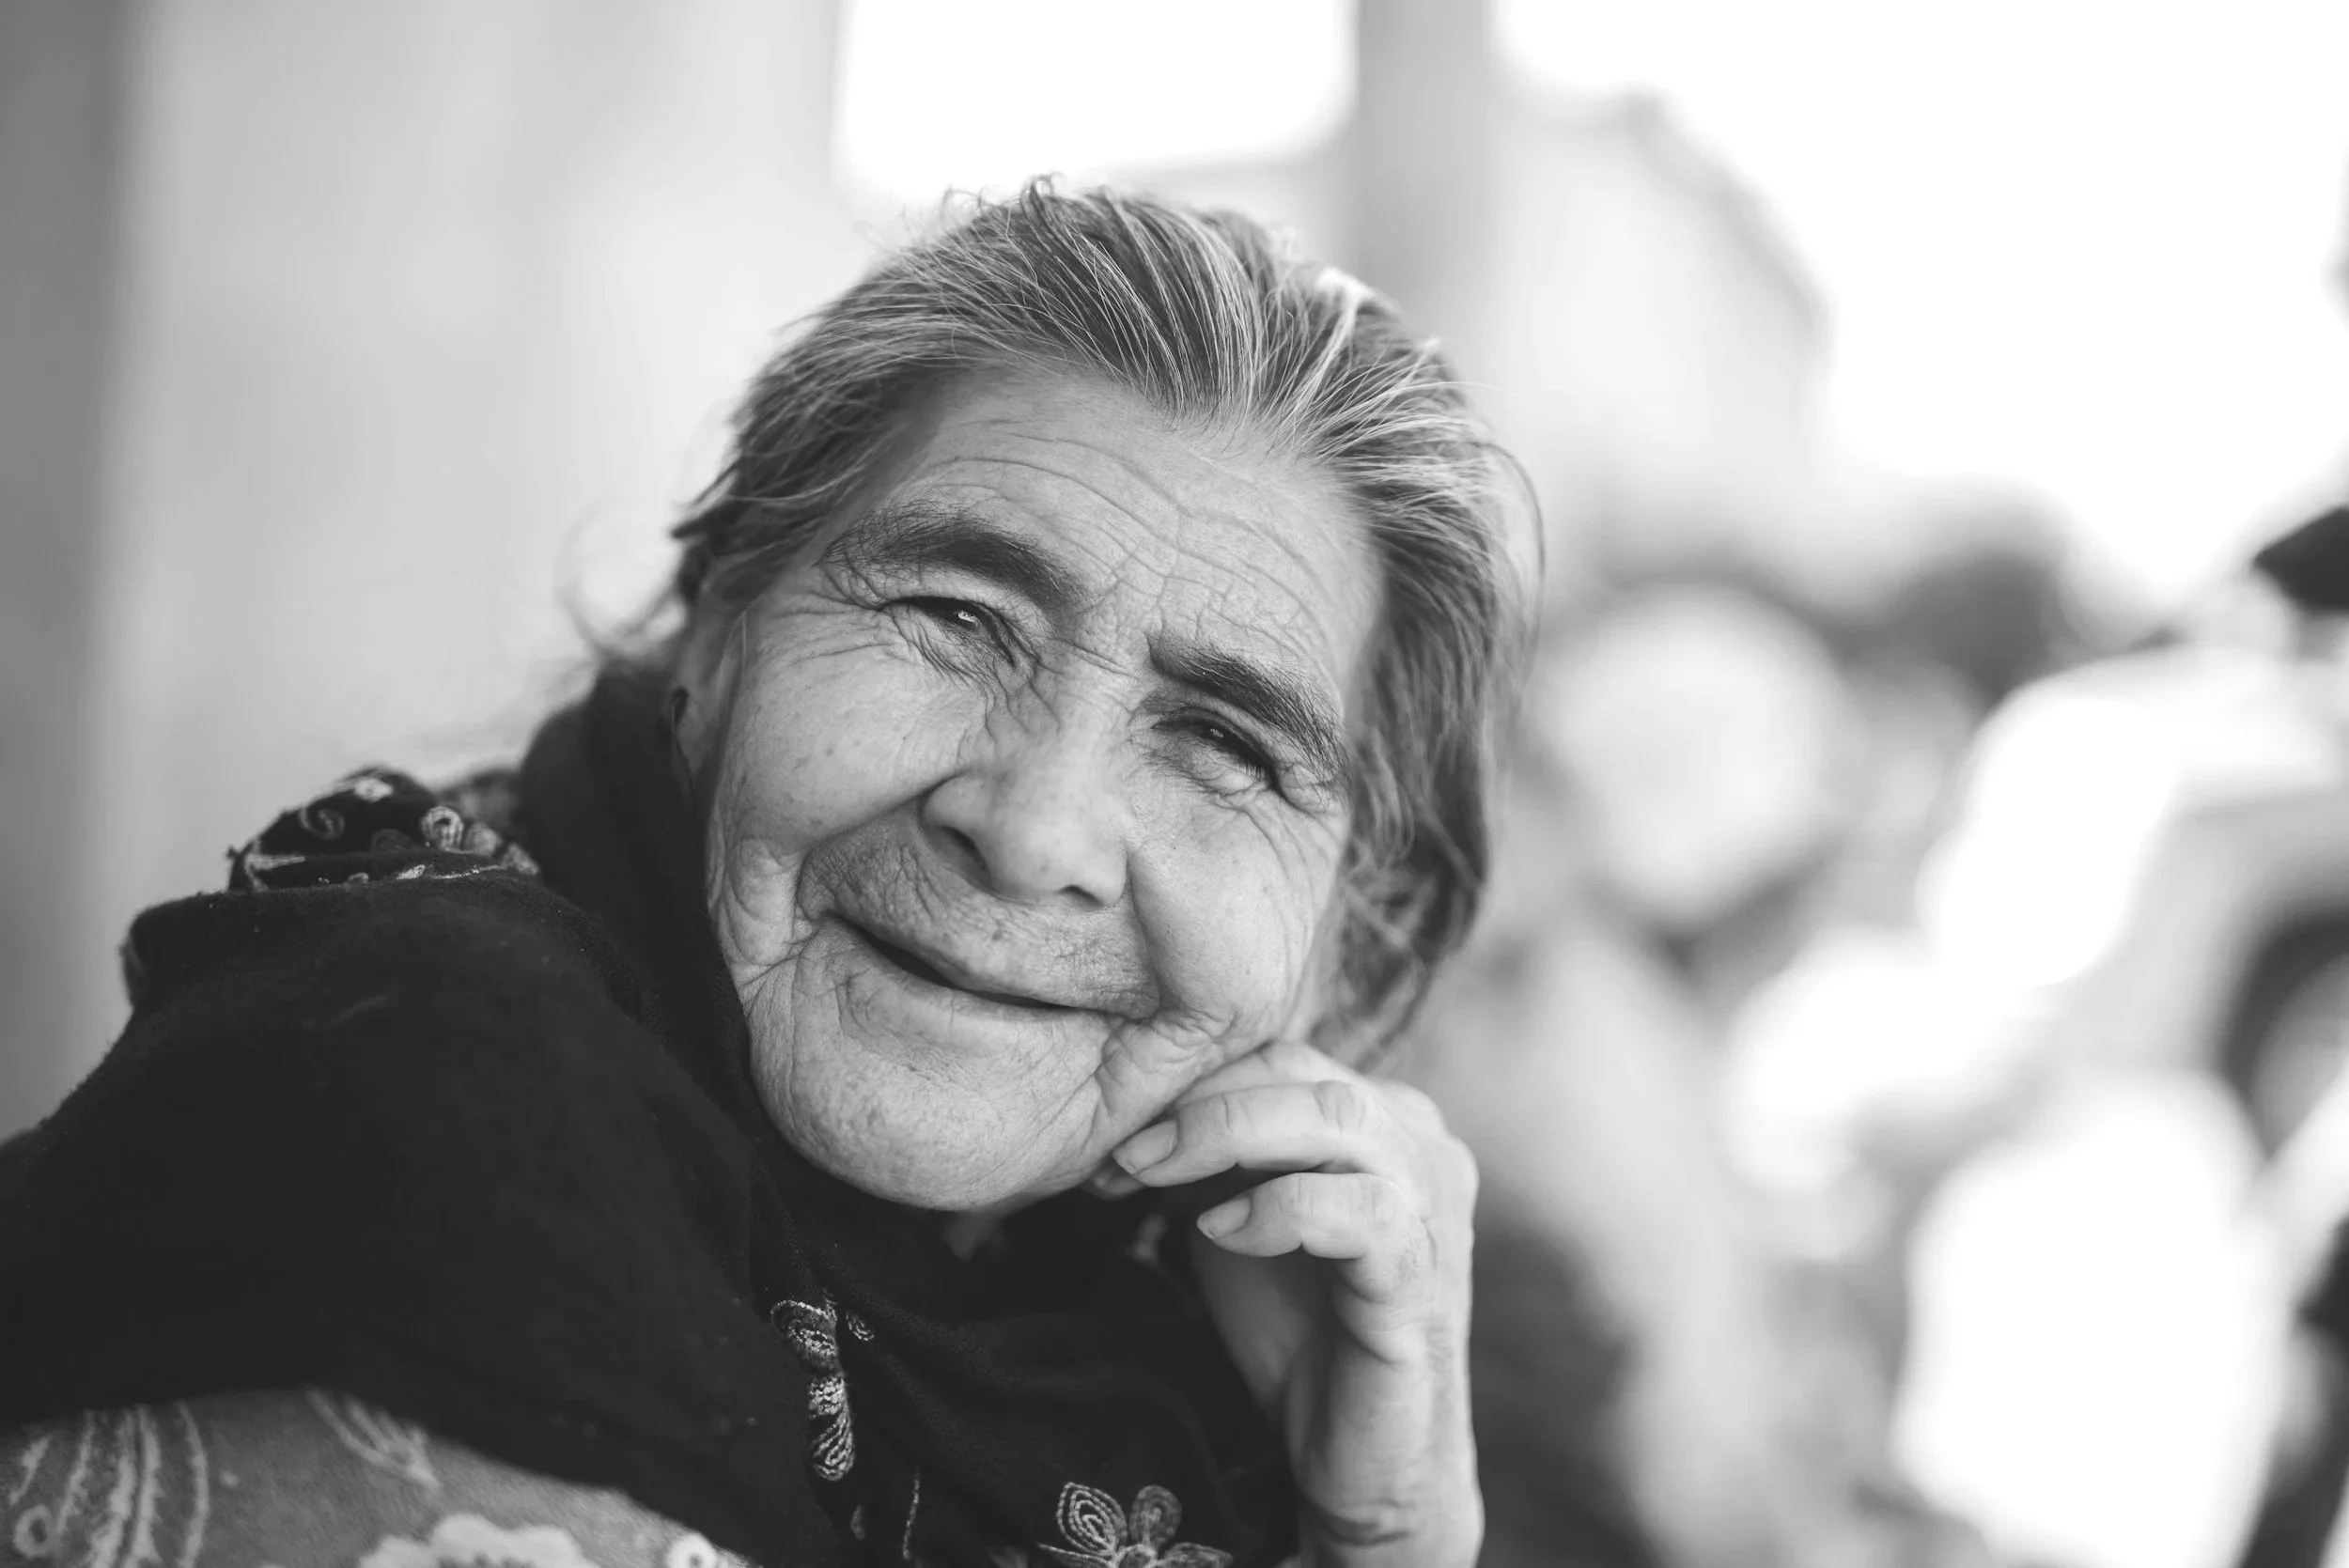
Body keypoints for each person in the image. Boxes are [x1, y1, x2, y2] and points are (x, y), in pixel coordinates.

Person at [0, 185, 1523, 1568]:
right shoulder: (442, 1086)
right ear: (716, 632)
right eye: (957, 615)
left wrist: (1386, 1532)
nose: (1037, 830)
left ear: (1351, 941)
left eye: (1222, 745)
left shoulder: (1156, 1324)